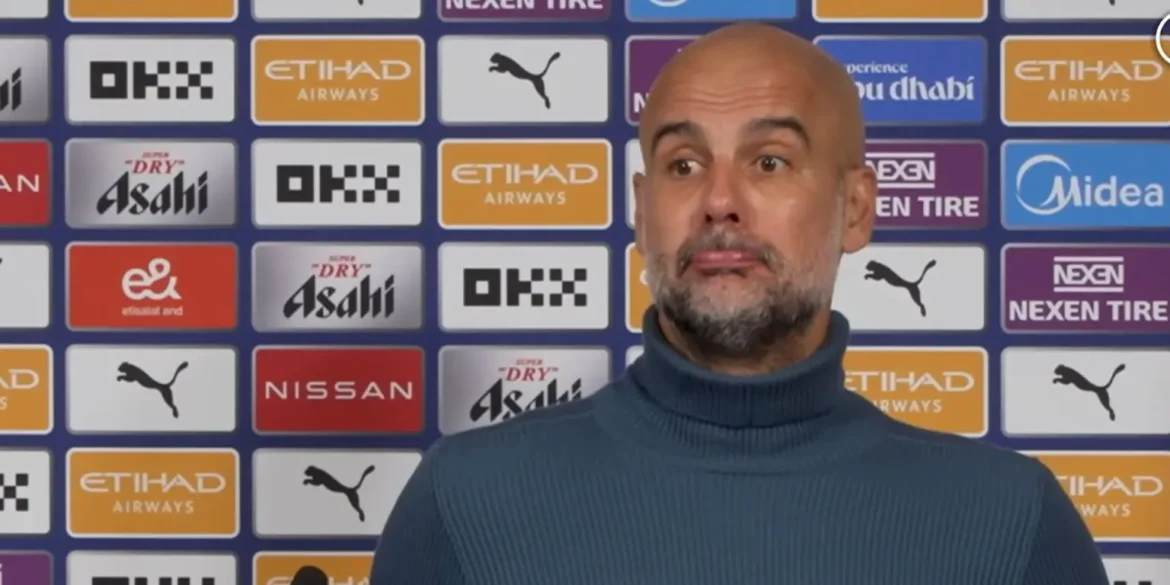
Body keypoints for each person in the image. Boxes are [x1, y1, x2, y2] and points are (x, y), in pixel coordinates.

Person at [370, 23, 1108, 584]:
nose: (719, 200)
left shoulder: (1012, 524)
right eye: (683, 164)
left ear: (855, 208)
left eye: (769, 161)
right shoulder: (464, 505)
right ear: (642, 211)